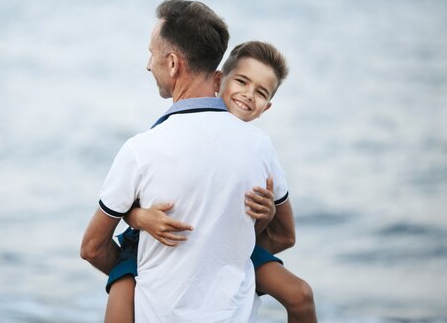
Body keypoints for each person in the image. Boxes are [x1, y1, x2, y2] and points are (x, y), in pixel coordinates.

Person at [81, 0, 288, 323]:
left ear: (173, 63)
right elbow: (283, 236)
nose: (149, 65)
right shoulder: (260, 146)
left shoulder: (141, 150)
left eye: (152, 54)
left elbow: (93, 248)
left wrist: (138, 275)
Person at [106, 41, 317, 323]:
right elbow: (126, 203)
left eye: (261, 92)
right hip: (156, 243)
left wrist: (266, 217)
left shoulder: (258, 148)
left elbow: (284, 235)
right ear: (218, 81)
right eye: (242, 81)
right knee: (121, 302)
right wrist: (140, 217)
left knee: (300, 294)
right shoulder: (173, 133)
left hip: (229, 247)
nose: (248, 95)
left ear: (267, 107)